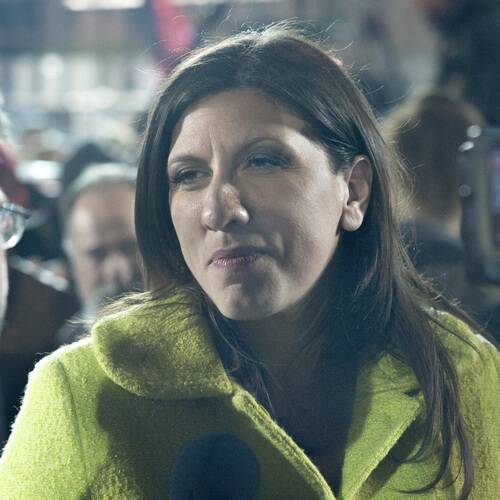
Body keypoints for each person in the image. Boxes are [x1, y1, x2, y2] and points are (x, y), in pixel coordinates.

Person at [0, 25, 498, 499]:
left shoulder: (462, 372)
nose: (219, 210)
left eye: (263, 161)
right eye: (189, 175)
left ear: (354, 191)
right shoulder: (81, 396)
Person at [55, 163, 142, 345]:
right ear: (72, 260)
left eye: (130, 248)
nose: (118, 271)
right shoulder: (63, 350)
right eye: (97, 255)